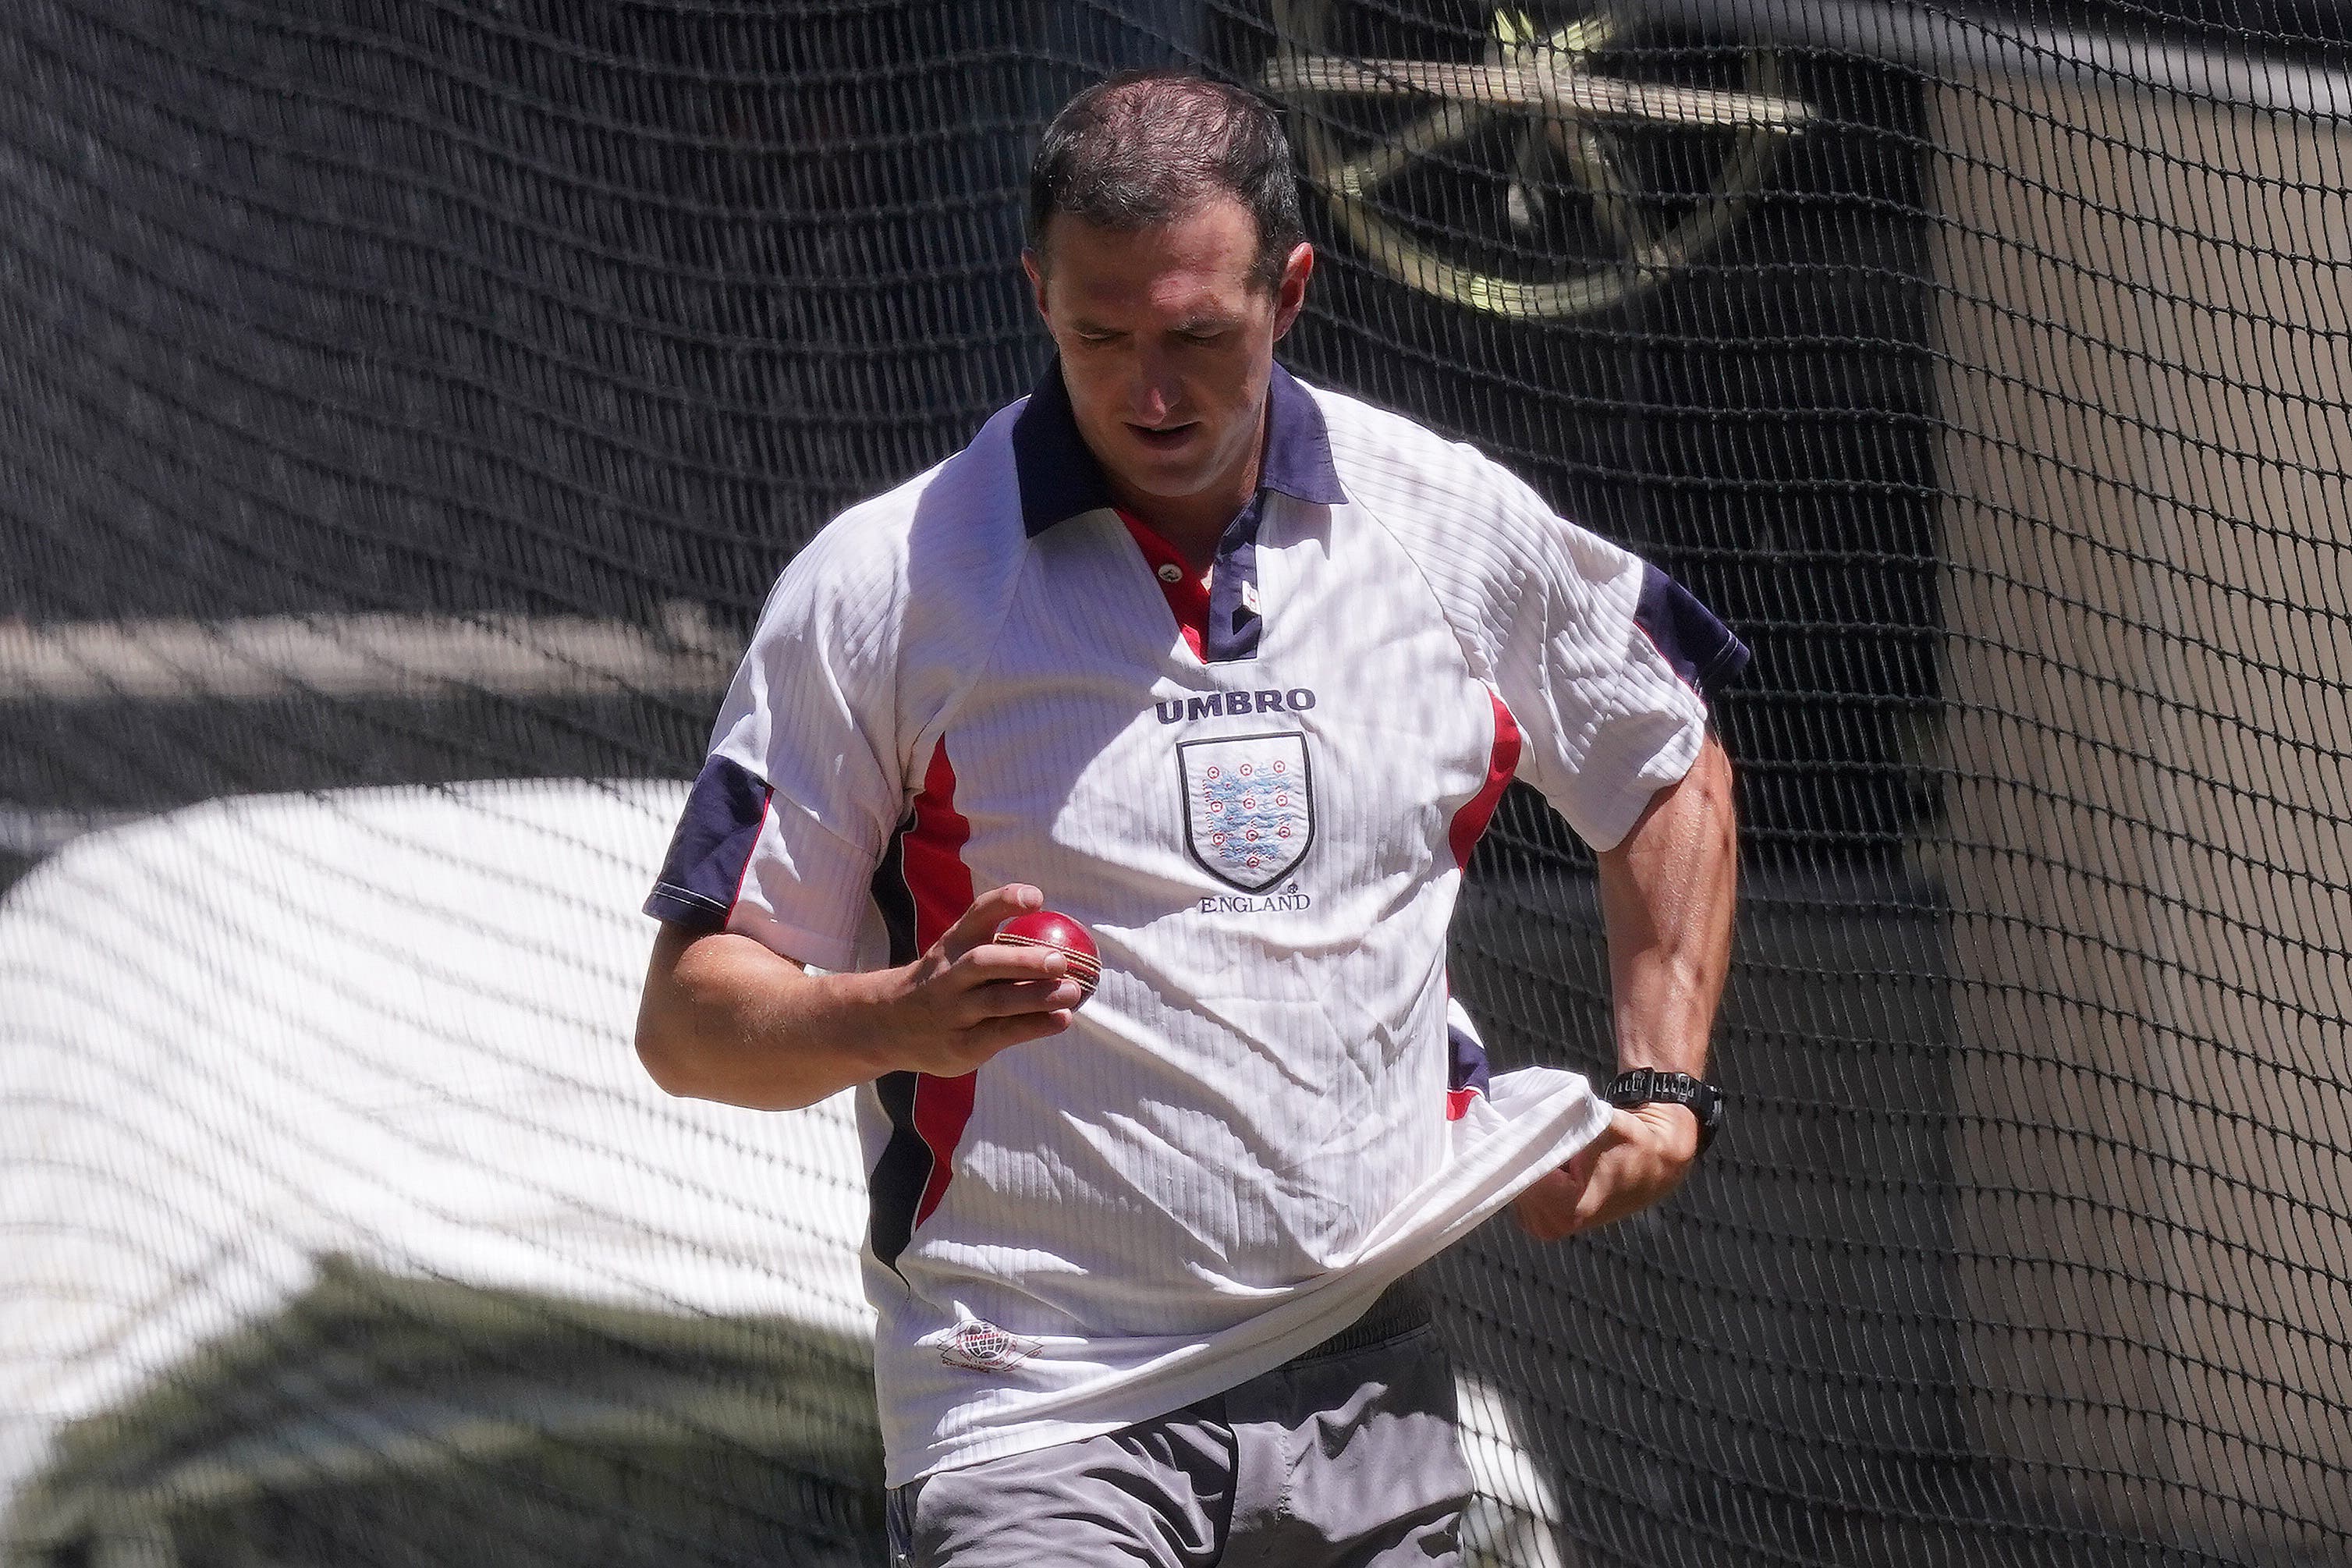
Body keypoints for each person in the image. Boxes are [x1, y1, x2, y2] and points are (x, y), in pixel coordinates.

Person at [635, 70, 1741, 1568]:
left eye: (1195, 338)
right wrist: (898, 1011)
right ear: (1035, 293)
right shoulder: (889, 581)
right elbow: (690, 1024)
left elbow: (1666, 762)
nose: (1149, 392)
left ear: (1290, 290)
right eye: (1099, 338)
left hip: (1368, 1371)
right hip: (1029, 1405)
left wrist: (1665, 1083)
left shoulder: (1443, 524)